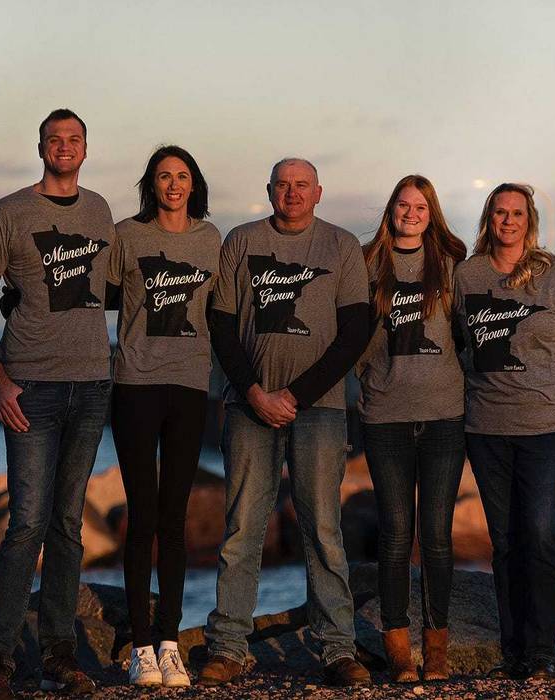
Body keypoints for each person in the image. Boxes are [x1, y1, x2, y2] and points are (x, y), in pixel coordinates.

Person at [200, 158, 373, 687]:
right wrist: (254, 392)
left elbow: (356, 331)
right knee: (242, 529)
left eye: (302, 185)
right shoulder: (240, 240)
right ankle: (229, 647)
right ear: (269, 191)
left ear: (318, 192)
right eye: (283, 185)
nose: (292, 194)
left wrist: (293, 395)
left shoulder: (341, 246)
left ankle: (337, 648)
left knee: (323, 528)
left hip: (318, 409)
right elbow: (221, 322)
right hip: (247, 406)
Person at [0, 108, 114, 700]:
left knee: (68, 527)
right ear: (41, 148)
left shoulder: (100, 210)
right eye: (56, 140)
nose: (65, 147)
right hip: (30, 388)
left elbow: (110, 285)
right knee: (25, 525)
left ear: (85, 148)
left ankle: (59, 655)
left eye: (75, 139)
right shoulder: (9, 213)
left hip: (92, 385)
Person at [454, 183, 555, 681]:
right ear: (488, 219)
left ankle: (542, 652)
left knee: (540, 536)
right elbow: (456, 348)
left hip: (545, 427)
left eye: (517, 213)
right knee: (505, 541)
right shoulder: (466, 275)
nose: (508, 221)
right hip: (486, 428)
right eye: (499, 212)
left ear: (528, 220)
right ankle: (512, 650)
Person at [106, 146, 219, 687]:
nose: (173, 185)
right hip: (135, 386)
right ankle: (141, 648)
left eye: (182, 176)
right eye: (163, 177)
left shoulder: (210, 240)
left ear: (194, 184)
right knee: (142, 516)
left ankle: (171, 642)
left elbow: (225, 312)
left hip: (191, 387)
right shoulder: (126, 236)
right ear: (150, 184)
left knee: (174, 518)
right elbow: (93, 295)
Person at [356, 175, 467, 683]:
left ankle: (437, 650)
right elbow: (349, 335)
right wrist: (365, 384)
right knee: (396, 534)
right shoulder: (366, 262)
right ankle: (399, 651)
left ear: (432, 212)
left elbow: (473, 333)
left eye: (420, 206)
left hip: (444, 417)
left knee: (438, 537)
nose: (411, 212)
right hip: (385, 419)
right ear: (391, 209)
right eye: (403, 204)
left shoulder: (449, 264)